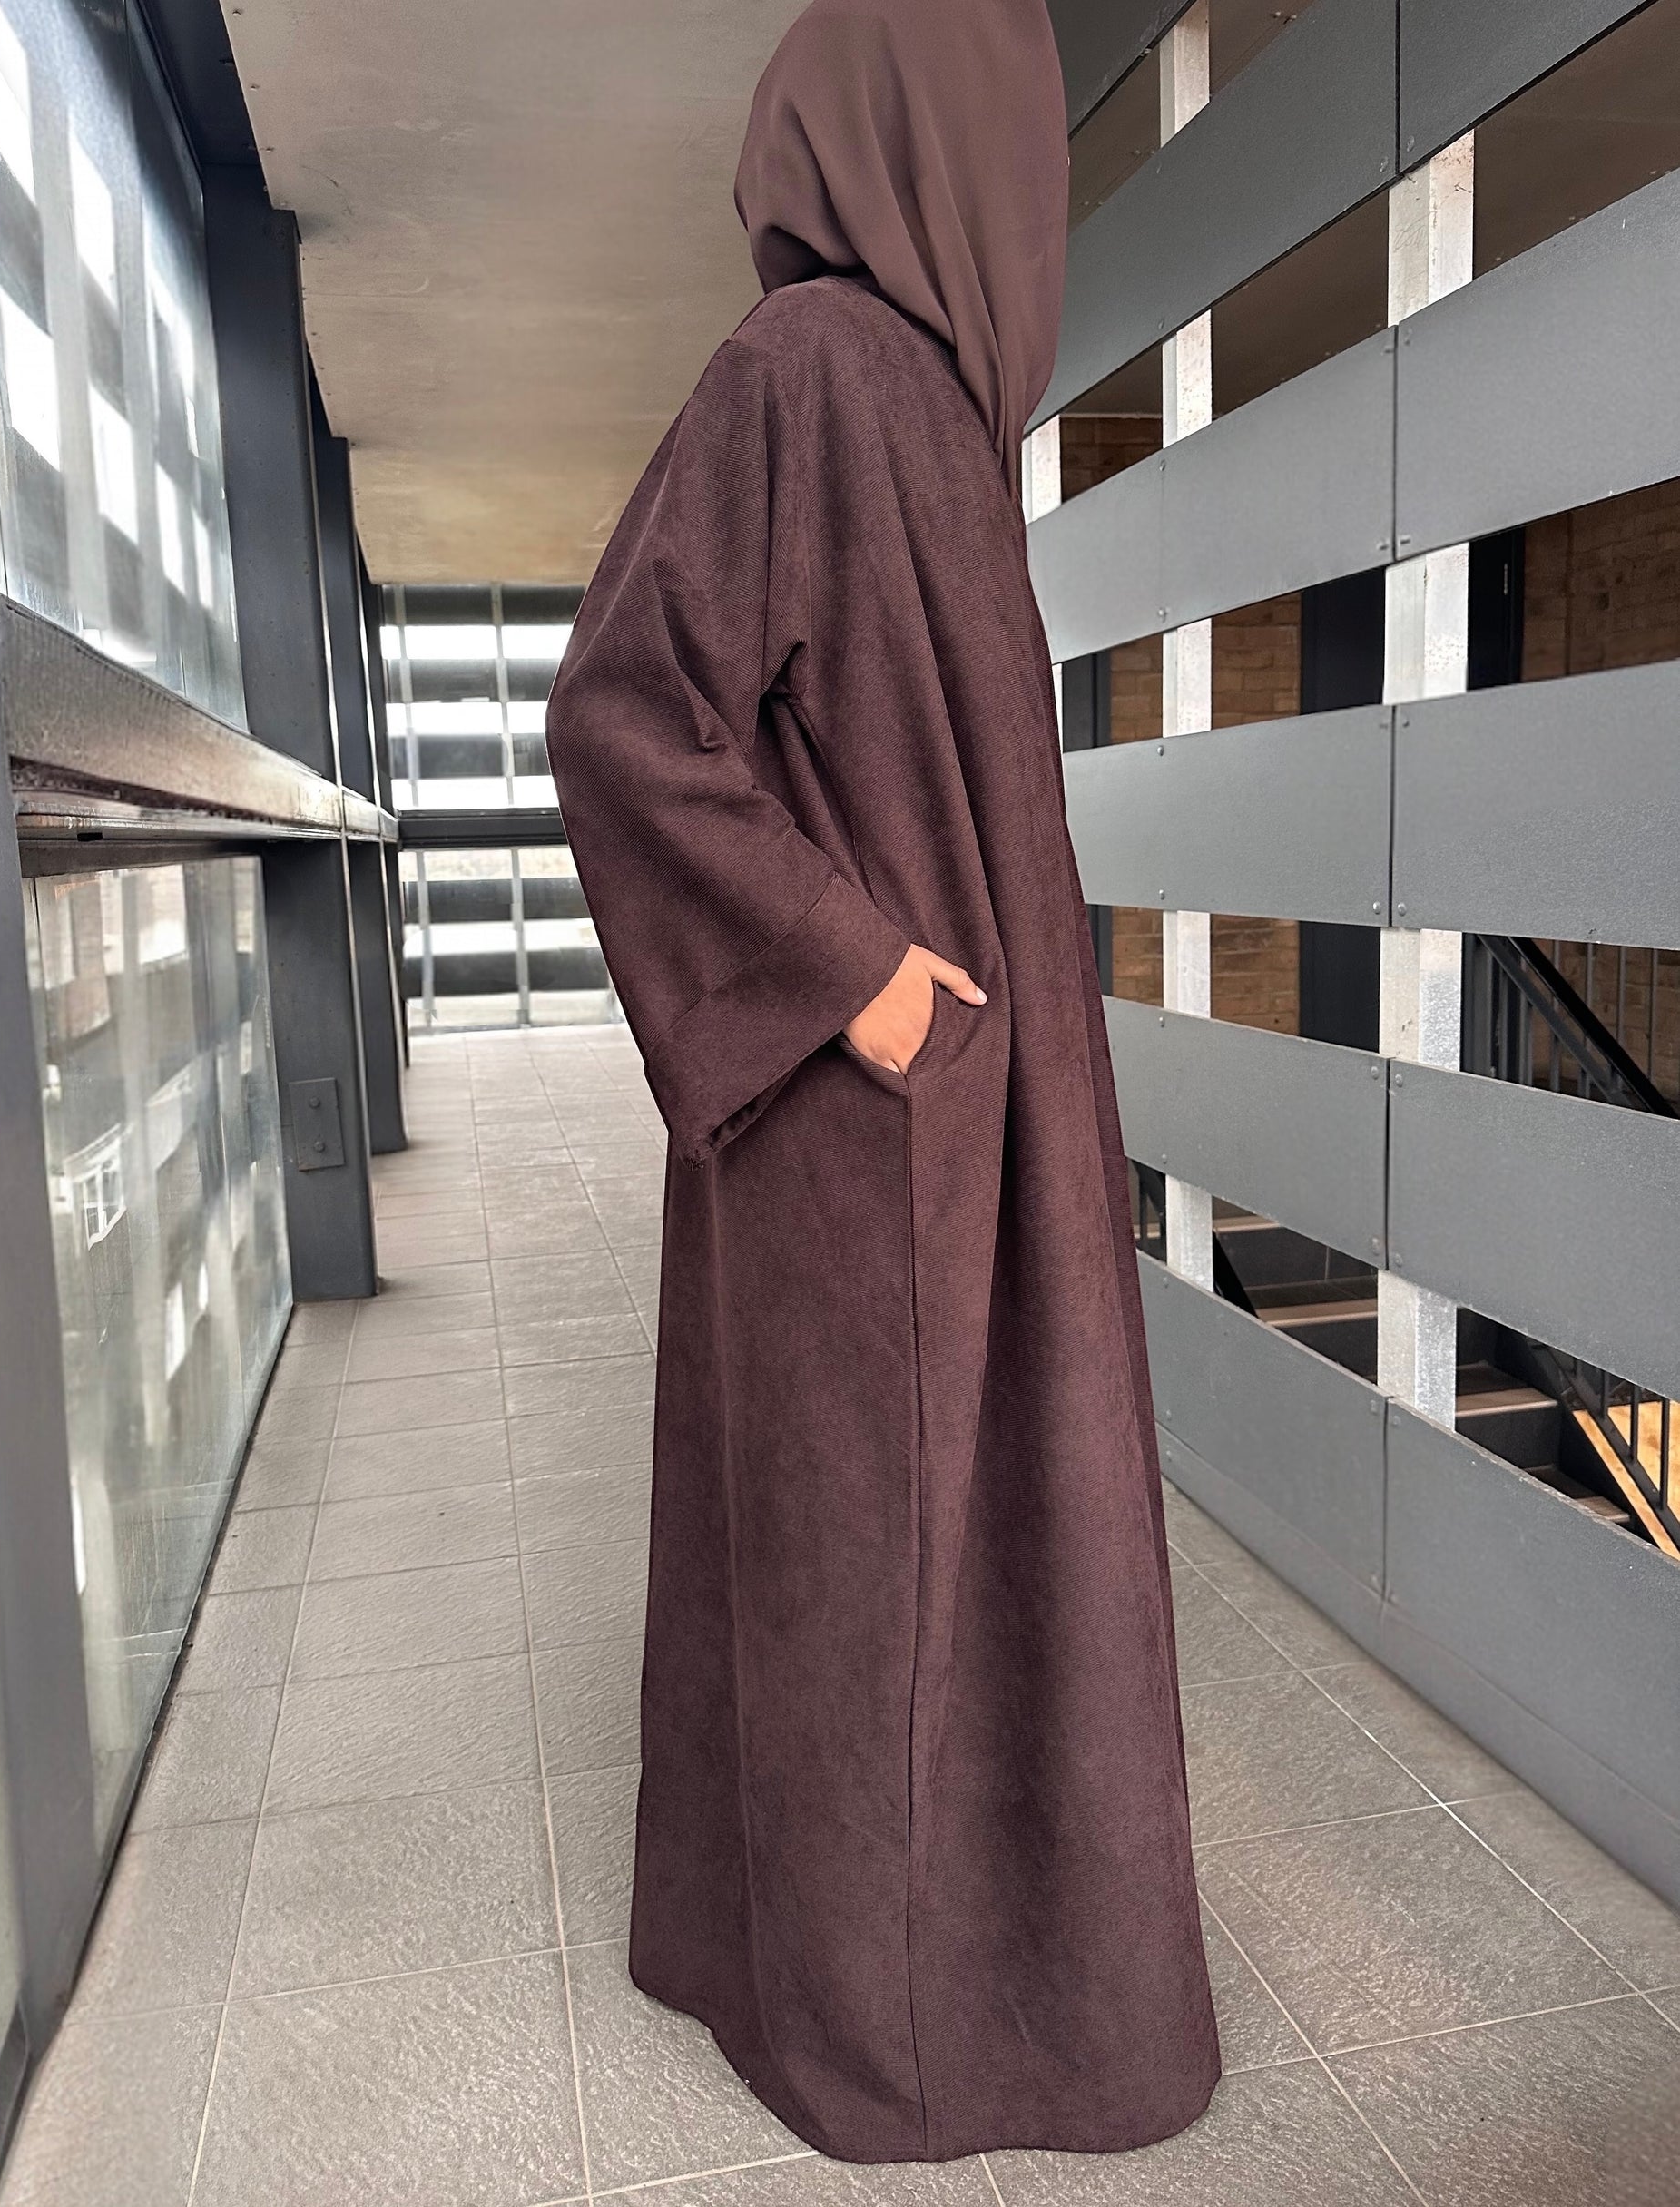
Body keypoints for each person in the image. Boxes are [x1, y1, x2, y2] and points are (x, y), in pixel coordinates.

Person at [545, 0, 1220, 2163]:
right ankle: (878, 2019)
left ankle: (980, 1973)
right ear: (925, 137)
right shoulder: (809, 372)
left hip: (959, 1110)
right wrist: (858, 983)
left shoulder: (920, 412)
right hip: (877, 1122)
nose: (1038, 195)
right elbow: (622, 711)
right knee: (881, 1574)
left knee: (958, 1548)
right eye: (1013, 134)